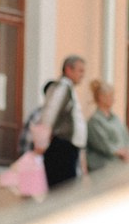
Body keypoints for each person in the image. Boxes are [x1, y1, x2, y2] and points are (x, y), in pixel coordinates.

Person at [30, 55, 88, 190]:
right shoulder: (63, 87)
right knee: (62, 190)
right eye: (80, 71)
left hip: (67, 147)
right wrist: (42, 140)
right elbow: (50, 112)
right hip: (61, 146)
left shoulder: (68, 88)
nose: (82, 75)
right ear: (68, 69)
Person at [84, 77, 129, 175]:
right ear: (101, 97)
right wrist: (121, 152)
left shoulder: (115, 119)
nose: (113, 99)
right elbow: (104, 145)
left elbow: (126, 138)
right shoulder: (94, 121)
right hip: (104, 169)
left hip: (120, 168)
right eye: (110, 96)